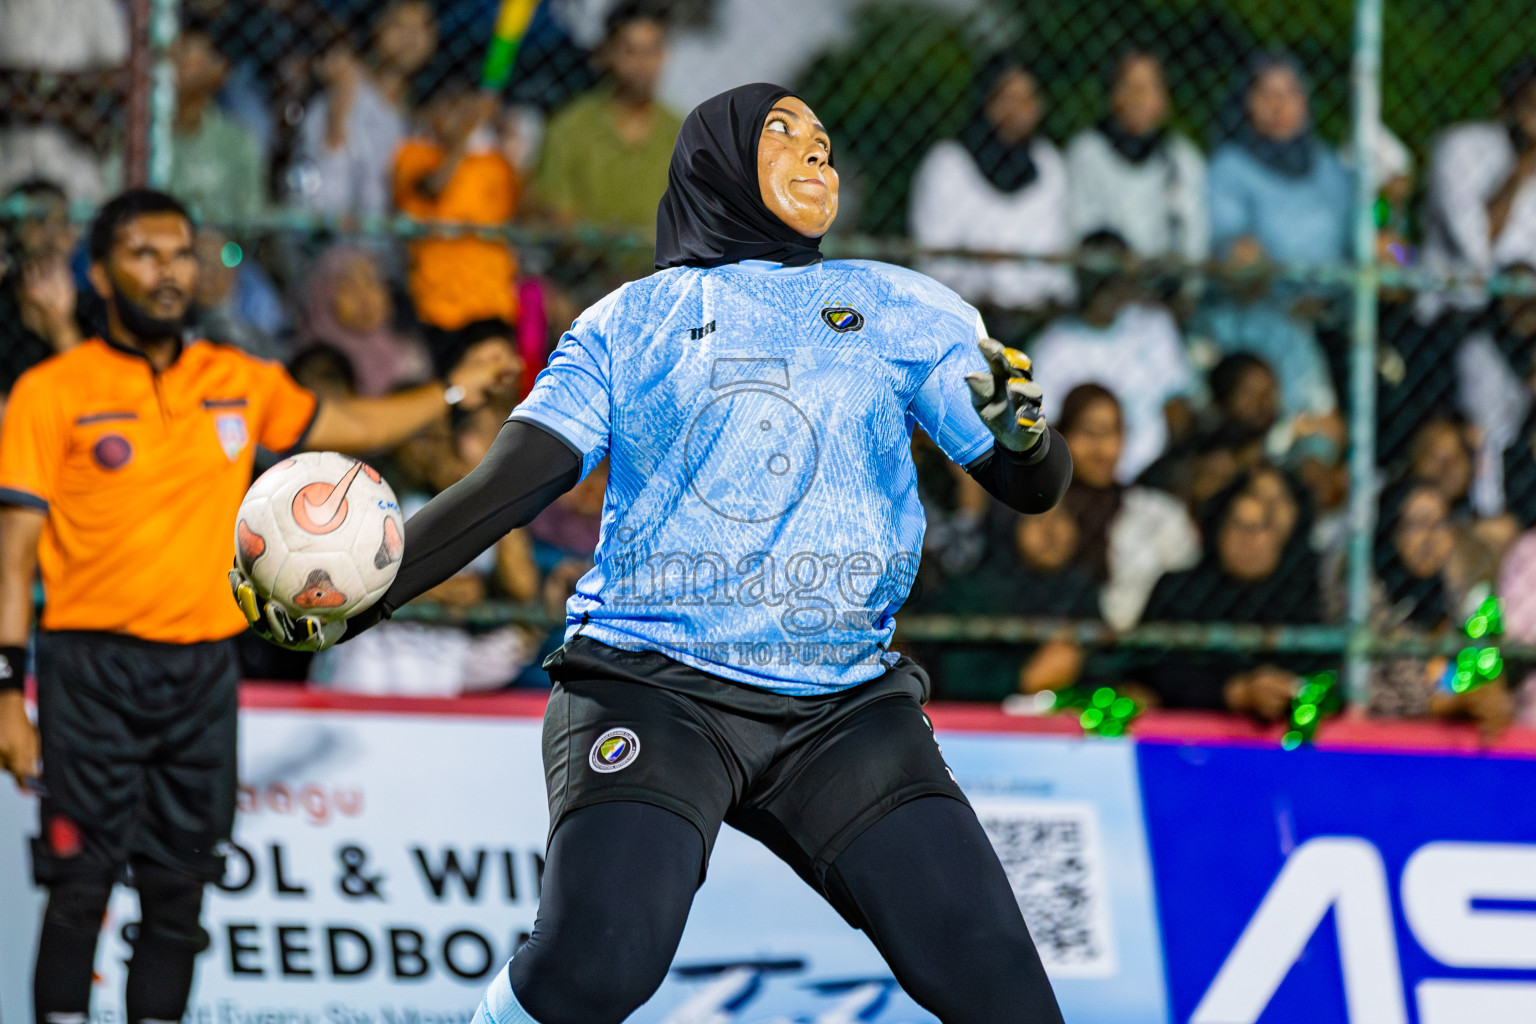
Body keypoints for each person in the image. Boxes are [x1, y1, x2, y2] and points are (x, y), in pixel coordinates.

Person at [235, 83, 1071, 1024]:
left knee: (1006, 995)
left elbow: (1029, 487)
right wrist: (358, 598)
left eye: (826, 142)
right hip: (654, 688)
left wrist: (1030, 443)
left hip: (846, 709)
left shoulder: (901, 305)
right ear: (715, 160)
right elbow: (513, 485)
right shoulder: (629, 322)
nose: (816, 152)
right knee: (591, 974)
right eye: (783, 134)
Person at [0, 188, 519, 1024]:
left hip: (203, 673)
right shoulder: (51, 390)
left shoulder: (234, 378)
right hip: (87, 673)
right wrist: (4, 689)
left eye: (179, 253)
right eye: (143, 253)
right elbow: (14, 545)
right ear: (99, 271)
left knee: (178, 899)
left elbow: (346, 419)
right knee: (78, 890)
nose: (167, 272)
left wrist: (452, 394)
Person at [1199, 51, 1348, 444]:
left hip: (1335, 319)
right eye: (1266, 94)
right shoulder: (1229, 166)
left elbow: (1384, 245)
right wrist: (1251, 262)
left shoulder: (1332, 168)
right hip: (1260, 319)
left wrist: (1399, 254)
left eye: (1290, 93)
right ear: (1246, 103)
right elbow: (1235, 252)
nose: (1279, 105)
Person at [910, 53, 1075, 322]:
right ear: (986, 100)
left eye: (1028, 98)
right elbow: (934, 262)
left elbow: (1057, 265)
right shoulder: (948, 162)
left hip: (1036, 317)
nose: (1019, 109)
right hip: (962, 315)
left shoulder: (1048, 163)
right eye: (1009, 97)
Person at [1027, 230, 1195, 481]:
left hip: (1150, 476)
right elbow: (1041, 433)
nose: (1104, 287)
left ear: (1128, 276)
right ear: (1078, 276)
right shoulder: (1051, 346)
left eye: (1113, 275)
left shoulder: (1154, 327)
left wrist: (1171, 468)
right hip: (1075, 479)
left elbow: (1177, 409)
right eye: (1095, 276)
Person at [393, 74, 521, 368]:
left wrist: (507, 141)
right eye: (449, 106)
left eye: (464, 106)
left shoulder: (492, 163)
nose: (461, 115)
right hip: (439, 308)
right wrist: (464, 135)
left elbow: (519, 210)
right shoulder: (413, 156)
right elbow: (433, 187)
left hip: (492, 303)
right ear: (428, 114)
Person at [1056, 384, 1200, 631]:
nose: (1102, 449)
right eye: (1089, 432)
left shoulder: (1160, 515)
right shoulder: (1040, 512)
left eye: (1112, 432)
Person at [532, 1, 684, 233]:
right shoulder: (570, 126)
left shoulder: (684, 135)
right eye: (630, 51)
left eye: (652, 51)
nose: (643, 64)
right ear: (607, 53)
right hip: (580, 264)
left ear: (664, 54)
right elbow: (554, 213)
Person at [292, 0, 439, 219]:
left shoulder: (431, 112)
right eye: (399, 26)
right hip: (339, 239)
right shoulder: (345, 94)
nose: (411, 38)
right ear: (375, 29)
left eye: (421, 28)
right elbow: (318, 195)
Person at [1065, 50, 1208, 263]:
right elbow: (1080, 228)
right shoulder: (1086, 152)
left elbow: (1193, 242)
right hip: (1105, 289)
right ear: (1112, 95)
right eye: (1128, 85)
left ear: (1165, 100)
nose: (1138, 96)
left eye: (1150, 86)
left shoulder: (1183, 159)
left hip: (1161, 291)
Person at [1420, 58, 1536, 315]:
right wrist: (1523, 167)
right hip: (1454, 310)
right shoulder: (1461, 145)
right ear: (1509, 104)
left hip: (1522, 320)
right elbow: (1475, 246)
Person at [0, 0, 126, 202]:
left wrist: (38, 95)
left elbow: (121, 77)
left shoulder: (96, 5)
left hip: (73, 159)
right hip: (10, 153)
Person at [294, 245, 432, 395]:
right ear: (323, 298)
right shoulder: (317, 369)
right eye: (347, 288)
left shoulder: (411, 355)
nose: (364, 298)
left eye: (371, 282)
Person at [0, 180, 84, 410]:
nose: (51, 233)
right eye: (36, 221)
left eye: (60, 221)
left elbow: (97, 403)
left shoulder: (99, 309)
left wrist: (61, 329)